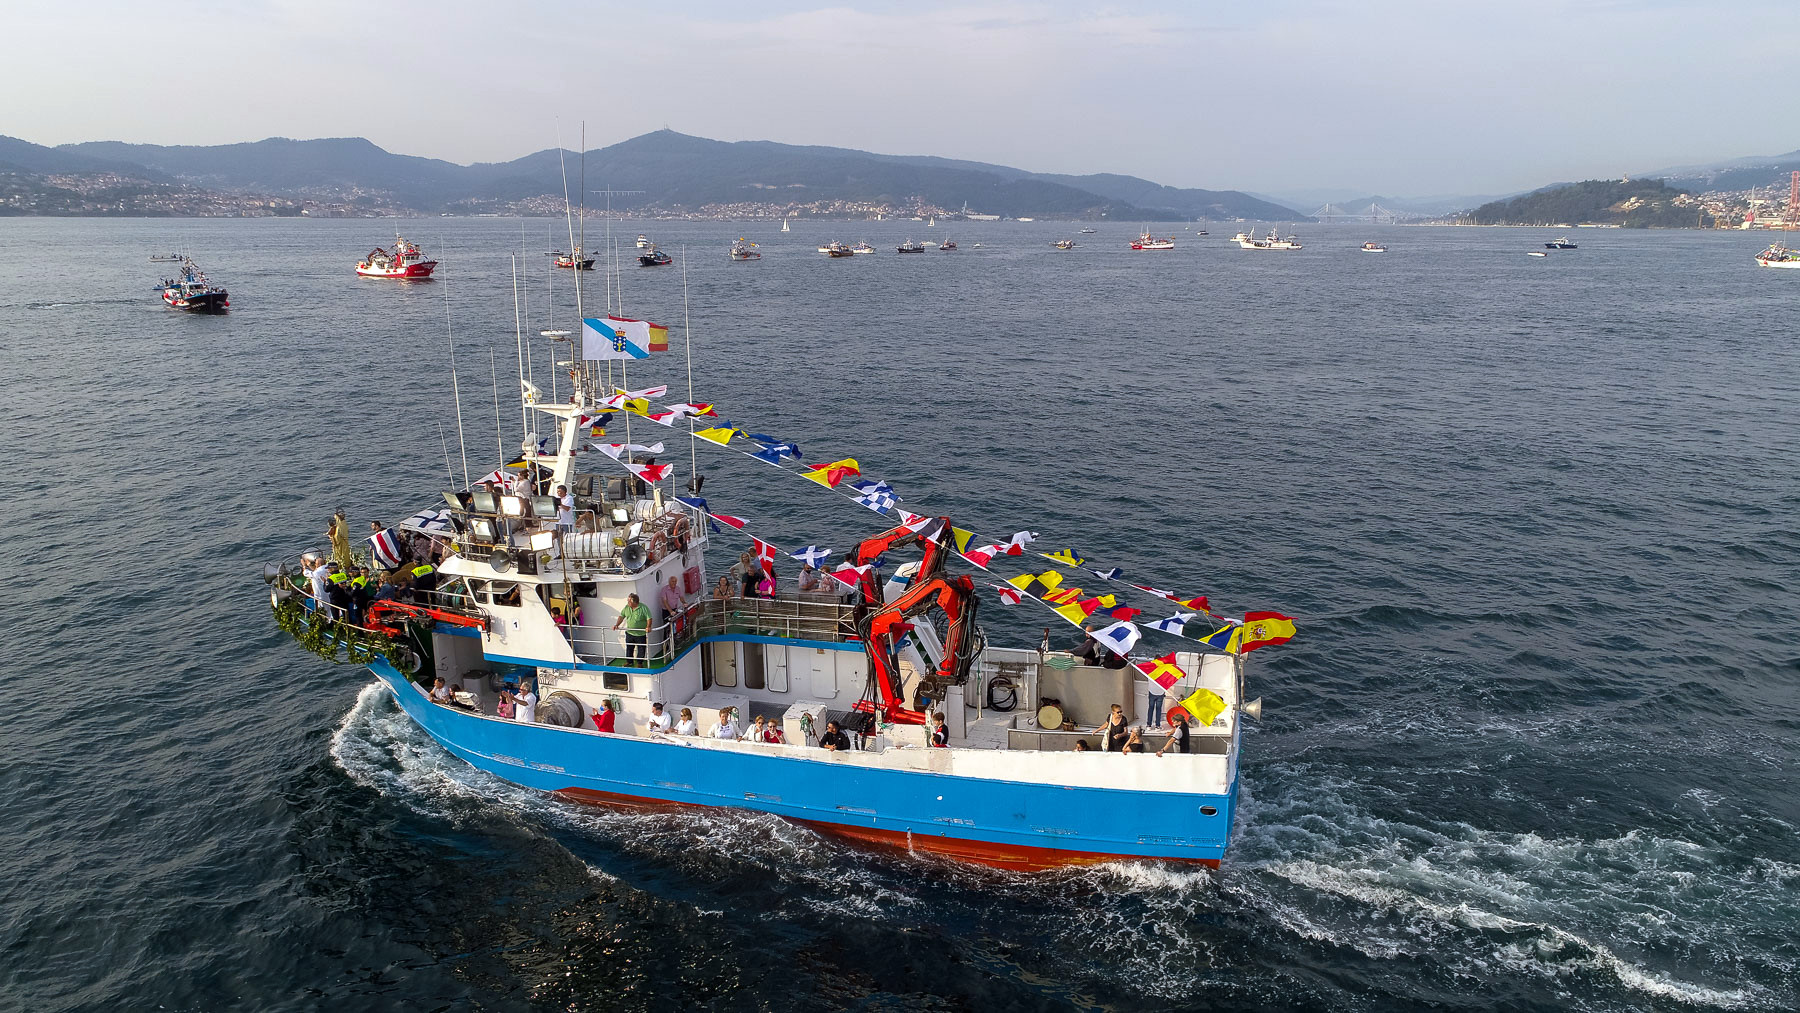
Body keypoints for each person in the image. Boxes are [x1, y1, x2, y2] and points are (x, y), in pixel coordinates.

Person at [613, 592, 651, 662]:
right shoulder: (627, 607)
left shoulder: (643, 608)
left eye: (629, 601)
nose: (627, 602)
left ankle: (640, 663)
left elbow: (649, 618)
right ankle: (629, 662)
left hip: (640, 634)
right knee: (629, 649)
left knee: (641, 649)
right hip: (629, 633)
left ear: (634, 602)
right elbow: (622, 616)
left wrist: (648, 627)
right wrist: (617, 624)